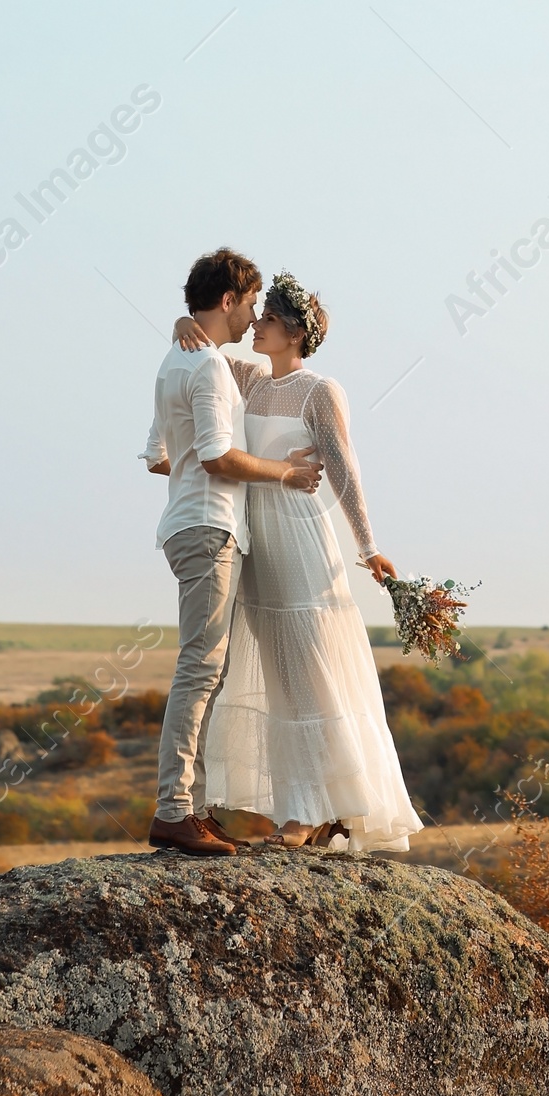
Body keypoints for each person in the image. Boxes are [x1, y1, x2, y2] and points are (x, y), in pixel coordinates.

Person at [170, 269, 422, 854]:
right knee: (282, 681)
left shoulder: (320, 390)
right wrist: (182, 319)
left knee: (312, 675)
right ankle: (311, 808)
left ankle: (312, 813)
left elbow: (344, 468)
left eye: (268, 320)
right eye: (257, 316)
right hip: (257, 544)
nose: (255, 324)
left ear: (293, 331)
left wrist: (367, 546)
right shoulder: (250, 380)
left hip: (304, 541)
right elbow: (200, 345)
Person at [142, 248, 323, 858]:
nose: (251, 319)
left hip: (187, 523)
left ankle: (189, 809)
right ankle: (174, 811)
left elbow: (160, 456)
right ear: (228, 300)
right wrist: (283, 473)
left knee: (207, 669)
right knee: (200, 668)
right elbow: (217, 457)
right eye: (249, 305)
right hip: (210, 528)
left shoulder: (177, 360)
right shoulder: (211, 368)